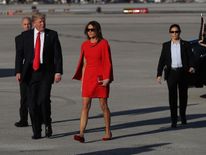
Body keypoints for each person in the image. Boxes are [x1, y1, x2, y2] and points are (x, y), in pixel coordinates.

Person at [15, 12, 63, 139]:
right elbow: (19, 55)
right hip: (30, 73)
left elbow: (57, 55)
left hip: (46, 72)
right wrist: (18, 71)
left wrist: (58, 72)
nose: (43, 23)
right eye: (40, 21)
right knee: (31, 103)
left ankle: (47, 123)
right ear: (34, 23)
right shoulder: (25, 36)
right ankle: (37, 131)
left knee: (43, 100)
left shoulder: (52, 35)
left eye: (44, 21)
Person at [73, 21, 113, 143]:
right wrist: (82, 82)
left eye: (92, 30)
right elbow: (84, 64)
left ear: (98, 30)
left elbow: (108, 61)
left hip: (100, 78)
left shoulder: (104, 43)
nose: (90, 32)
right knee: (85, 105)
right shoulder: (84, 45)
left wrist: (107, 78)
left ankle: (107, 131)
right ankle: (81, 133)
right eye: (88, 30)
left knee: (103, 105)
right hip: (88, 78)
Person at [156, 24, 195, 128]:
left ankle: (183, 117)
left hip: (183, 73)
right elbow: (162, 60)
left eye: (176, 32)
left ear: (179, 32)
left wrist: (191, 66)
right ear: (169, 33)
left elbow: (191, 57)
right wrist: (159, 74)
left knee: (183, 96)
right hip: (171, 74)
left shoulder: (186, 44)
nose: (174, 34)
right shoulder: (166, 45)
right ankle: (173, 119)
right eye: (172, 32)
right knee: (172, 98)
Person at [15, 16, 32, 127]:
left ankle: (42, 118)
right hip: (24, 71)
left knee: (38, 97)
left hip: (36, 71)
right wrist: (18, 71)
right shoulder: (19, 38)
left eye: (29, 24)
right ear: (22, 25)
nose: (27, 26)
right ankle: (23, 120)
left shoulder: (37, 37)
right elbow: (19, 56)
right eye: (25, 24)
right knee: (24, 97)